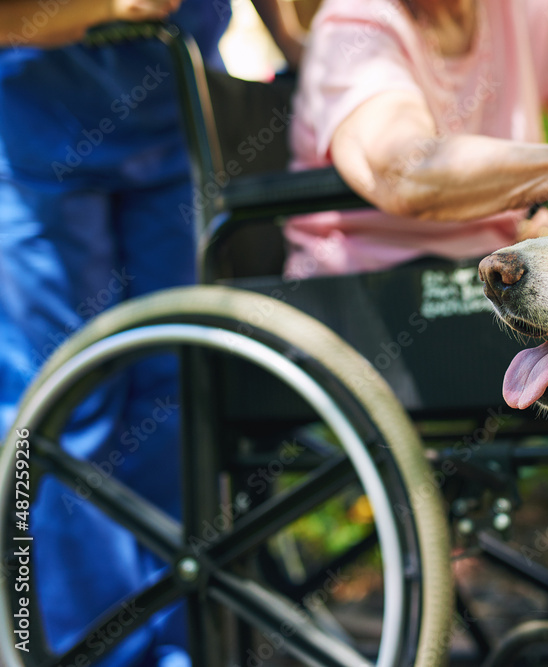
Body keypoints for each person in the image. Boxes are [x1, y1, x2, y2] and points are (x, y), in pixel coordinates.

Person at [0, 2, 302, 665]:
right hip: (36, 133)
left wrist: (309, 56)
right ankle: (95, 650)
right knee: (63, 407)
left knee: (178, 393)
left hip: (174, 123)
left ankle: (183, 644)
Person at [285, 0, 548, 278]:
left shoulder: (530, 8)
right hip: (379, 281)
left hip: (503, 266)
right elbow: (406, 171)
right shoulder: (353, 26)